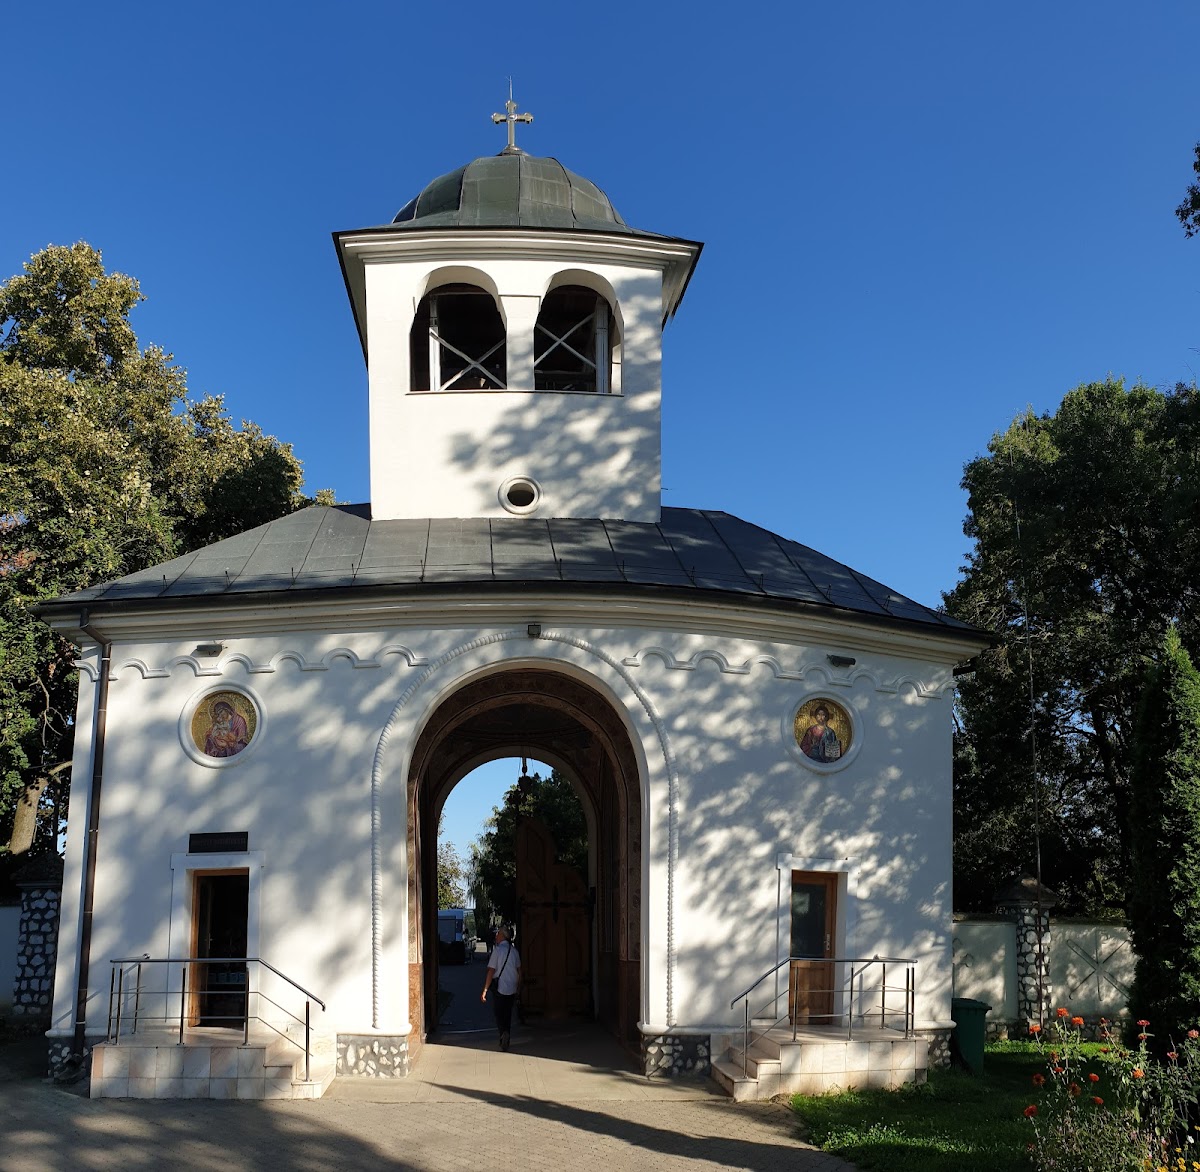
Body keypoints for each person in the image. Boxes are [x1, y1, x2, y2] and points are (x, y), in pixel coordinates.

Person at [480, 924, 520, 1050]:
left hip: (500, 987)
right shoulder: (514, 951)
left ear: (502, 936)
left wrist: (485, 990)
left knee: (499, 1013)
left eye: (498, 934)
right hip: (512, 987)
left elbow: (491, 971)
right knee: (508, 1013)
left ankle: (503, 1033)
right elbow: (520, 971)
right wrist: (519, 986)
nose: (496, 936)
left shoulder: (497, 951)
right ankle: (506, 1033)